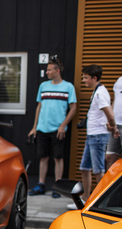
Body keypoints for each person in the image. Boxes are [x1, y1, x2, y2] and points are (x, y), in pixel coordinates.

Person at [67, 65, 116, 209]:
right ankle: (85, 199)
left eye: (85, 78)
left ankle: (102, 202)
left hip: (98, 136)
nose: (83, 80)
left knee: (98, 170)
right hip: (92, 135)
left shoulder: (100, 93)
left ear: (94, 78)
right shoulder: (97, 91)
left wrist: (112, 126)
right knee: (84, 167)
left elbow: (110, 114)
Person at [27, 57, 77, 198]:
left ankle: (57, 187)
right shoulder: (43, 86)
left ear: (57, 70)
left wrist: (63, 126)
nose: (46, 72)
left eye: (49, 70)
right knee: (43, 157)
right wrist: (34, 127)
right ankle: (41, 185)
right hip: (42, 128)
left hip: (58, 129)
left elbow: (73, 109)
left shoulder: (68, 87)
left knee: (58, 158)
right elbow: (39, 106)